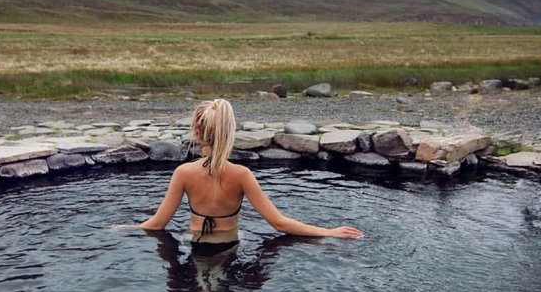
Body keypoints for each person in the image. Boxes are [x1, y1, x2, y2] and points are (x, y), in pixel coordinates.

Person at [123, 98, 363, 243]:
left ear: (197, 133)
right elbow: (279, 224)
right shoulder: (242, 175)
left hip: (194, 243)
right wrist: (329, 232)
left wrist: (121, 229)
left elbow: (156, 225)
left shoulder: (183, 173)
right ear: (230, 132)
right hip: (230, 244)